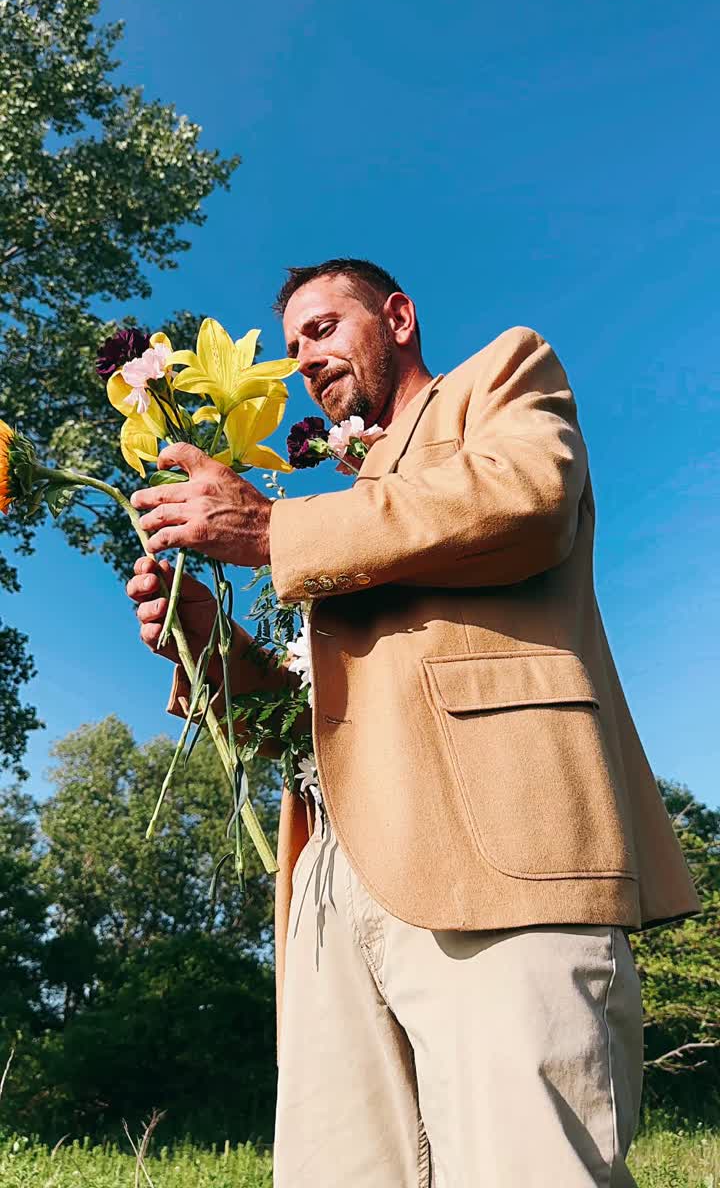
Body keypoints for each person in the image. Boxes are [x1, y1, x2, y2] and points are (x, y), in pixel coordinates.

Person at [127, 258, 698, 1188]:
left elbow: (531, 501)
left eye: (322, 328)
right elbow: (311, 725)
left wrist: (276, 532)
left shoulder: (501, 376)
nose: (304, 358)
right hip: (330, 885)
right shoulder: (337, 500)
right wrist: (212, 651)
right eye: (291, 346)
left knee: (529, 1166)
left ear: (396, 315)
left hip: (499, 849)